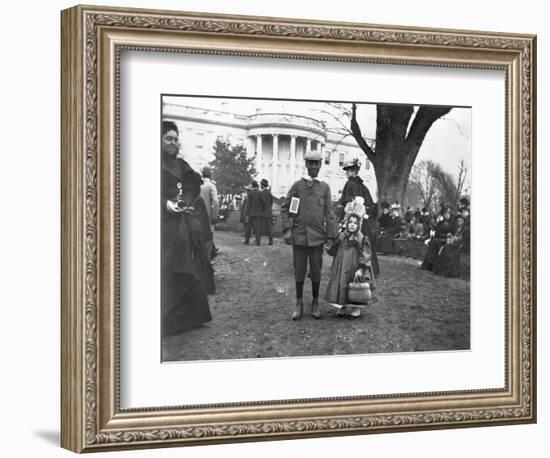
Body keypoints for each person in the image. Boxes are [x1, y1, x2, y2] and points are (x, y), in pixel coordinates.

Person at [161, 121, 214, 335]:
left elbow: (194, 184)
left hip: (183, 221)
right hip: (162, 223)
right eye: (168, 139)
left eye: (175, 139)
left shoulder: (181, 165)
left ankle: (189, 318)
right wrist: (166, 204)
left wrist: (187, 202)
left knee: (189, 261)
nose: (173, 143)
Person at [281, 149, 338, 320]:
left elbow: (330, 213)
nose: (313, 166)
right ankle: (299, 303)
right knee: (299, 271)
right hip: (299, 236)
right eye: (310, 163)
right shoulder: (298, 186)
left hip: (317, 238)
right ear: (306, 165)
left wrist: (330, 236)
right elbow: (286, 208)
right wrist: (287, 229)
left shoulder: (325, 188)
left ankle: (315, 302)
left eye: (316, 163)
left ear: (320, 165)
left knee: (316, 271)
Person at [325, 204, 374, 319]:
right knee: (342, 284)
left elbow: (365, 254)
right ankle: (343, 305)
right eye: (350, 222)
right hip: (341, 264)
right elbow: (335, 249)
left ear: (359, 225)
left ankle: (356, 308)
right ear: (346, 223)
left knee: (355, 285)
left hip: (354, 265)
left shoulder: (361, 238)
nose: (352, 225)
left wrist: (361, 268)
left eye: (355, 223)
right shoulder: (342, 235)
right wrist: (330, 246)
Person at [336, 158, 379, 277]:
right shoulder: (363, 186)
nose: (347, 173)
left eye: (348, 170)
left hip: (352, 221)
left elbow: (346, 203)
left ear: (354, 171)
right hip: (363, 222)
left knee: (350, 243)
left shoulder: (349, 184)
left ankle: (348, 267)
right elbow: (371, 206)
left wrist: (342, 218)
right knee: (363, 243)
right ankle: (368, 268)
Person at [421, 205, 454, 271]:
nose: (447, 215)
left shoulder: (452, 223)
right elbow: (437, 232)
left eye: (448, 213)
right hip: (439, 239)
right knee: (433, 242)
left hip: (447, 239)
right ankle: (429, 263)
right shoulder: (440, 223)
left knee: (435, 242)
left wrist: (446, 236)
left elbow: (452, 232)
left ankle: (432, 264)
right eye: (445, 213)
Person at [200, 166, 220, 259]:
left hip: (197, 215)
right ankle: (207, 258)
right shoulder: (211, 186)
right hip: (208, 215)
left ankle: (208, 253)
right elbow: (215, 202)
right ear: (210, 175)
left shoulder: (197, 184)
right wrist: (215, 215)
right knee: (209, 235)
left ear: (202, 174)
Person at [244, 180, 265, 245]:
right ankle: (258, 242)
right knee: (258, 228)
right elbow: (263, 203)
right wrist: (262, 210)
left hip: (251, 213)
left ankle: (247, 241)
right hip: (259, 213)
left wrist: (247, 213)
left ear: (252, 186)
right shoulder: (260, 193)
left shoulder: (250, 194)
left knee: (249, 227)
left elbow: (248, 204)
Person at [260, 178, 274, 245]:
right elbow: (271, 203)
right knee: (269, 227)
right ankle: (270, 240)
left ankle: (258, 240)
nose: (260, 186)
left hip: (262, 212)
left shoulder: (261, 193)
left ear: (263, 185)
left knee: (259, 226)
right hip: (269, 212)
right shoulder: (269, 193)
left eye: (261, 185)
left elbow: (261, 203)